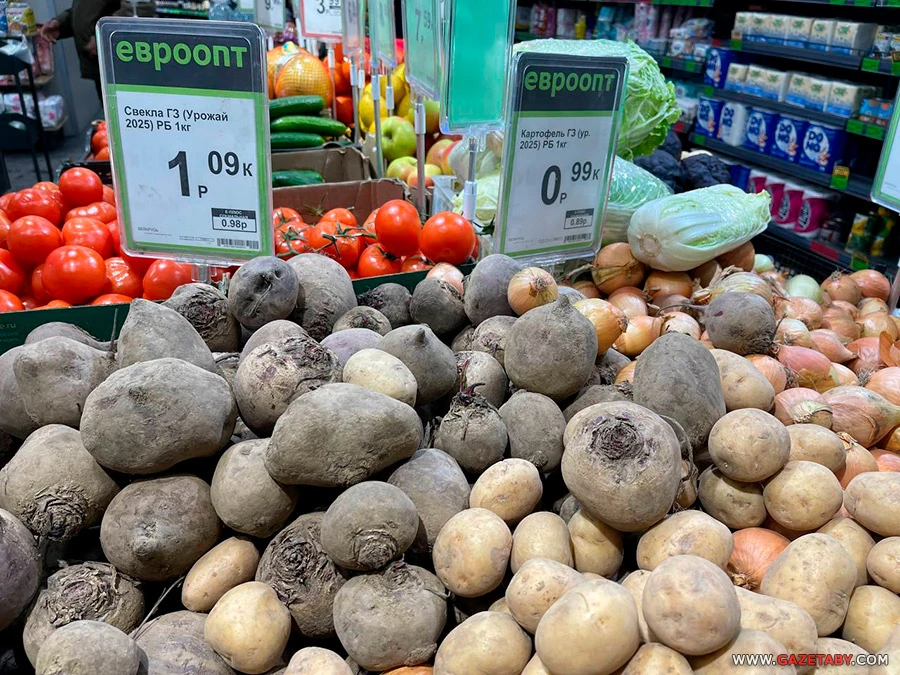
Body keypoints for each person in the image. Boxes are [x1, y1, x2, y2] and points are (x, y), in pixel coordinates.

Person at [40, 0, 156, 100]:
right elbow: (87, 10)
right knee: (112, 112)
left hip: (124, 63)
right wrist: (61, 23)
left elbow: (140, 7)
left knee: (130, 111)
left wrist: (104, 35)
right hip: (102, 64)